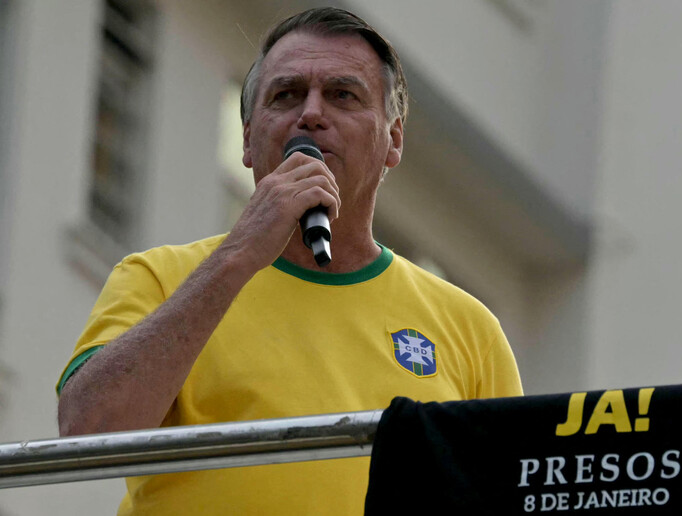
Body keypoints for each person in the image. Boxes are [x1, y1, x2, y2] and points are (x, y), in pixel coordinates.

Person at [56, 7, 523, 515]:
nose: (311, 114)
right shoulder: (158, 277)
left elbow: (508, 498)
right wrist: (238, 255)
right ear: (250, 137)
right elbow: (88, 432)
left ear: (393, 139)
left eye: (343, 95)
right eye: (286, 95)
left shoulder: (470, 330)